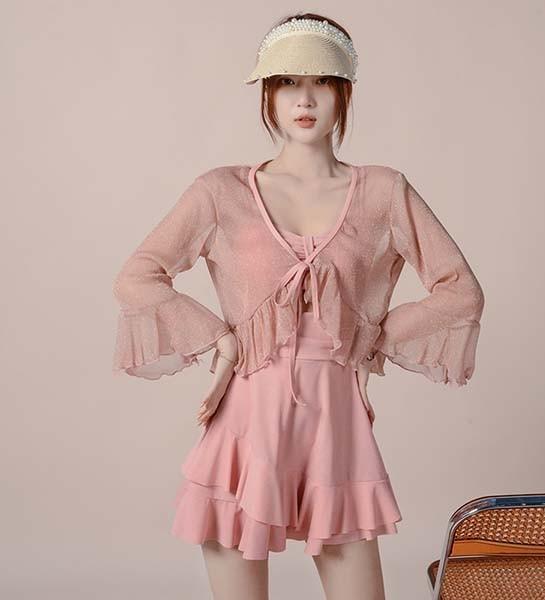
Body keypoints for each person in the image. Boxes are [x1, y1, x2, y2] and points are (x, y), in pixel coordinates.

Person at [112, 12, 485, 600]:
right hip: (245, 428)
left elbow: (459, 290)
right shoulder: (221, 191)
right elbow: (138, 276)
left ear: (344, 94)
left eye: (321, 82)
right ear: (268, 94)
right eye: (287, 82)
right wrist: (220, 337)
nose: (304, 99)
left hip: (336, 429)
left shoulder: (384, 190)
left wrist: (369, 337)